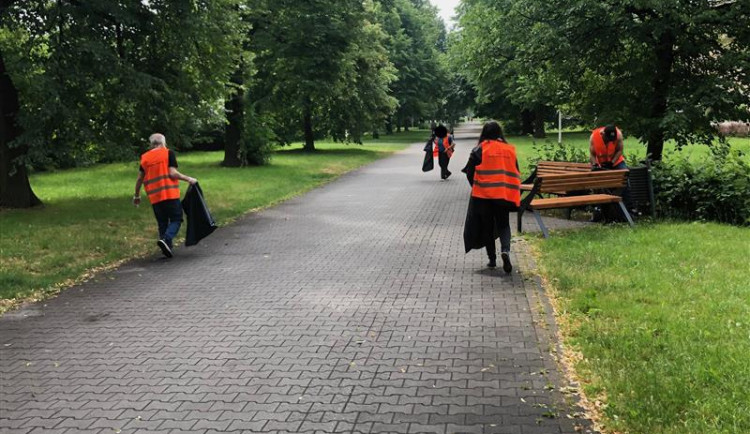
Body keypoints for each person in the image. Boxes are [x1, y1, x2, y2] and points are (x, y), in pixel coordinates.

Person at [461, 121, 521, 273]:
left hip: (483, 196)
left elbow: (469, 173)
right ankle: (505, 251)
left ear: (484, 133)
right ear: (499, 133)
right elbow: (516, 171)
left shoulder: (479, 150)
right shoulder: (509, 150)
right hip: (503, 195)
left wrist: (476, 187)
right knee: (503, 224)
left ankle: (492, 259)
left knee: (487, 227)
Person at [133, 133, 197, 258]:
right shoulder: (168, 153)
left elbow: (140, 178)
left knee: (162, 222)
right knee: (176, 219)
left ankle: (167, 249)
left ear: (151, 144)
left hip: (155, 197)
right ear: (163, 143)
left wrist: (136, 196)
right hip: (170, 194)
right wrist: (188, 179)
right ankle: (166, 239)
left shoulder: (145, 157)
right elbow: (172, 173)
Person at [589, 124, 631, 218]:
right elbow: (592, 154)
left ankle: (628, 207)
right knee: (596, 183)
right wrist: (595, 165)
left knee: (625, 177)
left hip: (616, 162)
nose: (609, 141)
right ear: (603, 134)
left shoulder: (618, 135)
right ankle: (598, 209)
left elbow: (619, 150)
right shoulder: (594, 136)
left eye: (611, 139)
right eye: (608, 139)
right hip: (601, 164)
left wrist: (612, 162)